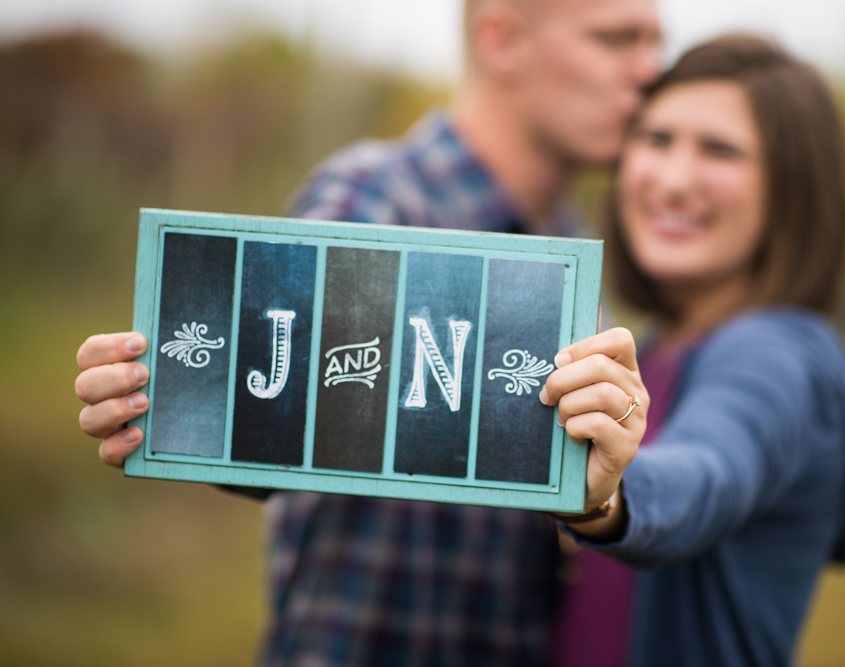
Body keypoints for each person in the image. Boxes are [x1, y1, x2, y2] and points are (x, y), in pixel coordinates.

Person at [73, 0, 662, 664]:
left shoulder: (571, 251)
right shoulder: (375, 199)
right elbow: (282, 407)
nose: (648, 70)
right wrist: (170, 404)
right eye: (617, 39)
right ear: (502, 38)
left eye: (654, 43)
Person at [540, 35, 845, 665]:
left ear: (791, 188)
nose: (673, 179)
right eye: (656, 139)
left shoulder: (780, 356)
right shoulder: (653, 350)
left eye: (720, 150)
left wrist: (610, 495)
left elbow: (711, 471)